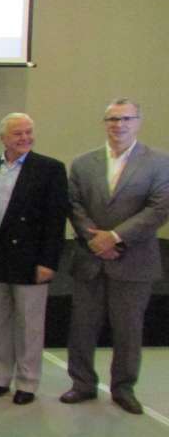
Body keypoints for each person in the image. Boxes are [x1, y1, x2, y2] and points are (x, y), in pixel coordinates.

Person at [60, 98, 169, 414]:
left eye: (125, 119)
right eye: (112, 119)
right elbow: (74, 204)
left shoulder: (159, 162)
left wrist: (116, 237)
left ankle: (123, 388)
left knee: (128, 329)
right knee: (82, 326)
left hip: (134, 260)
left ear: (138, 121)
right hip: (89, 257)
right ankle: (82, 384)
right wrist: (94, 238)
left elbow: (159, 208)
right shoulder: (83, 163)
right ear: (104, 123)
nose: (118, 125)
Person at [0, 113, 68, 405]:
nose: (24, 138)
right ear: (3, 137)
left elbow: (56, 221)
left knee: (29, 326)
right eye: (17, 133)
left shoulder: (50, 170)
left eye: (29, 132)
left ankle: (28, 383)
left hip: (31, 260)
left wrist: (49, 262)